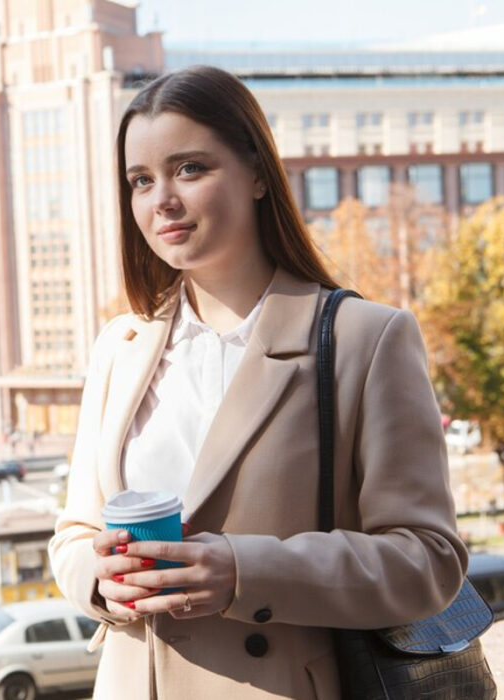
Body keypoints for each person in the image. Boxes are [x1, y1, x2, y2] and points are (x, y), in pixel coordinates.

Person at [48, 66, 466, 699]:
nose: (161, 199)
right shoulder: (121, 346)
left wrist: (244, 571)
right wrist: (100, 578)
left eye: (189, 168)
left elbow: (427, 560)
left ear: (258, 176)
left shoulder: (363, 338)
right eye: (140, 180)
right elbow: (74, 534)